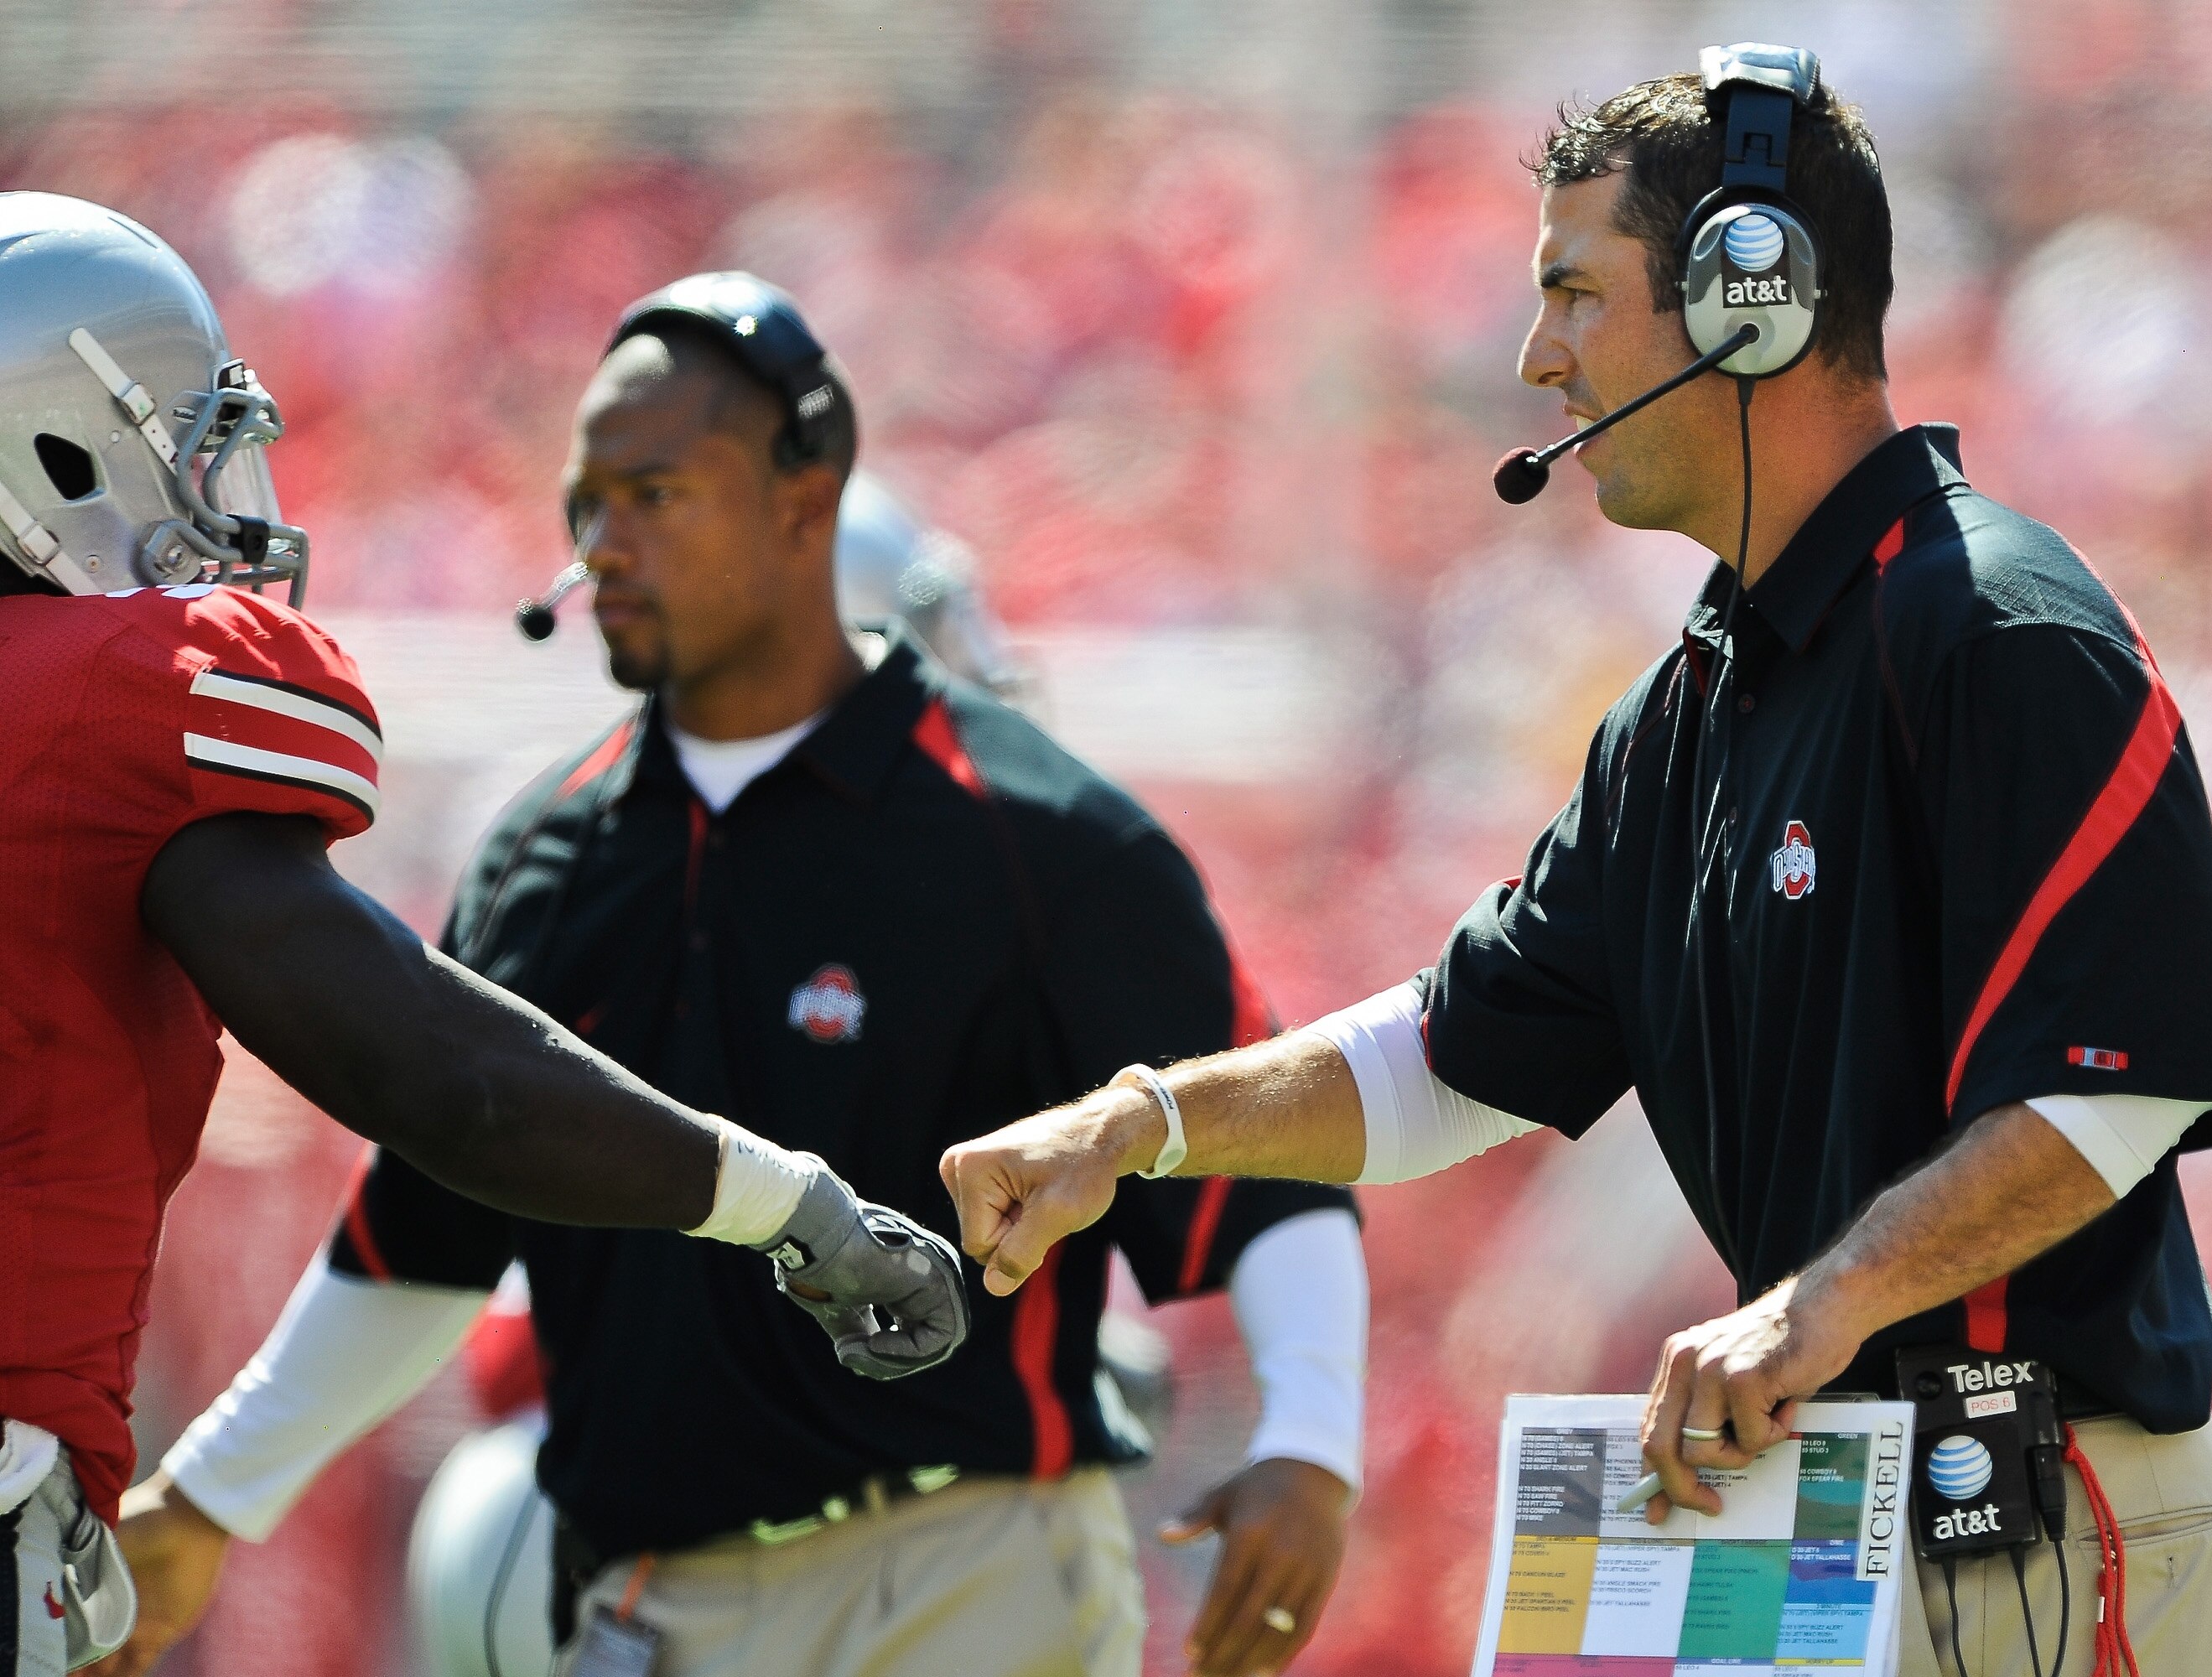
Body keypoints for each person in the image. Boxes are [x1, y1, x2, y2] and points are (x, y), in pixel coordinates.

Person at [939, 50, 2212, 1677]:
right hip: (1851, 1511)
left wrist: (1817, 1300)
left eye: (1575, 293)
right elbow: (1453, 1056)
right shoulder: (1696, 699)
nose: (1537, 355)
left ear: (1749, 301)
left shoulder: (1994, 628)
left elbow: (2112, 1090)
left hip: (2036, 1510)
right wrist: (1140, 1122)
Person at [114, 273, 1368, 1677]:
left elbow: (1255, 1163)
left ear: (805, 496)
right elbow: (425, 1234)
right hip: (655, 1605)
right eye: (587, 500)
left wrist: (1312, 1446)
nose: (604, 541)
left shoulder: (1039, 832)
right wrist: (212, 1496)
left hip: (965, 1579)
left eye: (658, 492)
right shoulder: (544, 853)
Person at [0, 197, 964, 1677]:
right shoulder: (106, 697)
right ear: (57, 443)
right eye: (184, 443)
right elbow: (445, 1082)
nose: (218, 496)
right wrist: (783, 1206)